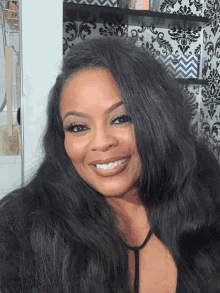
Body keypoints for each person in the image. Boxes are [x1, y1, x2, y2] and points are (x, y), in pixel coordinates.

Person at [0, 35, 220, 293]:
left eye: (121, 118)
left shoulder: (208, 199)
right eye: (78, 127)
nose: (101, 143)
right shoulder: (21, 228)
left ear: (157, 120)